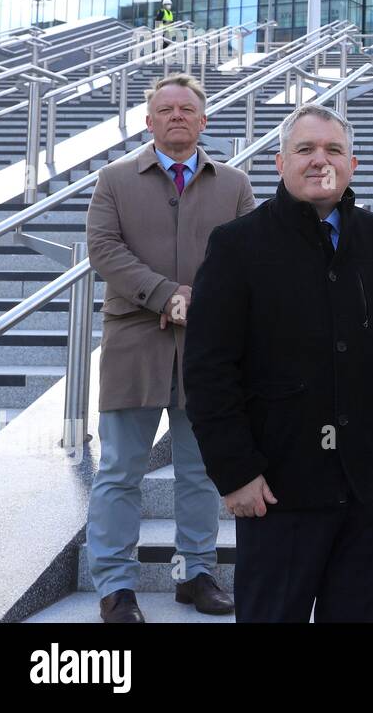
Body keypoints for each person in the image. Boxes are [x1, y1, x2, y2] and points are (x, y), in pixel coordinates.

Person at [184, 104, 373, 623]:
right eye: (305, 149)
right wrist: (235, 473)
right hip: (277, 488)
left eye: (333, 150)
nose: (319, 160)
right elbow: (209, 371)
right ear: (279, 163)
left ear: (353, 165)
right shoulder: (236, 245)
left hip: (366, 484)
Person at [85, 74, 256, 623]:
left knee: (201, 469)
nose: (176, 115)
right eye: (165, 109)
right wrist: (164, 294)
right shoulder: (114, 180)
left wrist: (201, 301)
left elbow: (253, 258)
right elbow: (103, 249)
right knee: (119, 472)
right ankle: (116, 586)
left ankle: (197, 574)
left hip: (209, 349)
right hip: (134, 343)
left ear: (204, 121)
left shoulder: (232, 184)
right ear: (148, 121)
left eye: (187, 109)